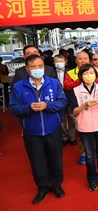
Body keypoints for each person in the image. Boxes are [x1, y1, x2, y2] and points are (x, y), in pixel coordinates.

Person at [9, 55, 67, 204]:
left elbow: (62, 102)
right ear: (27, 69)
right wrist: (28, 108)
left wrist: (48, 106)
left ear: (44, 67)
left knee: (56, 160)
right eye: (33, 67)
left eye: (40, 66)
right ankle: (42, 187)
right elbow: (14, 108)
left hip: (53, 129)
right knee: (37, 161)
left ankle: (57, 185)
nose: (37, 69)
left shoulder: (53, 83)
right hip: (32, 132)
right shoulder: (19, 87)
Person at [70, 64, 98, 192]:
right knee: (89, 156)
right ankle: (92, 179)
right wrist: (84, 105)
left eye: (91, 73)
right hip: (84, 126)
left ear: (96, 74)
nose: (89, 76)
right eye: (86, 73)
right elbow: (74, 111)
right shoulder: (75, 90)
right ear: (81, 76)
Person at [64, 51, 98, 164]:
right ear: (76, 60)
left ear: (89, 60)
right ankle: (84, 153)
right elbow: (67, 86)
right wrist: (80, 79)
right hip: (78, 105)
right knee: (81, 129)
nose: (83, 61)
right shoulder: (70, 72)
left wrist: (90, 76)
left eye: (85, 58)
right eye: (80, 59)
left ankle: (97, 151)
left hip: (96, 106)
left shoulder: (95, 71)